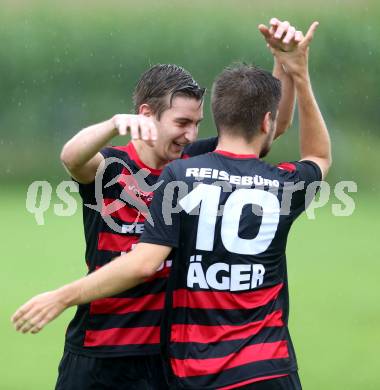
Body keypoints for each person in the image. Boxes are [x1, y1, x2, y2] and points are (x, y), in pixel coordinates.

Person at [11, 19, 316, 390]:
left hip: (164, 357)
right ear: (145, 116)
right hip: (98, 353)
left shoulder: (191, 163)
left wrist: (282, 62)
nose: (191, 134)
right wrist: (111, 124)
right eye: (182, 123)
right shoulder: (112, 167)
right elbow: (71, 158)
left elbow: (269, 128)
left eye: (197, 123)